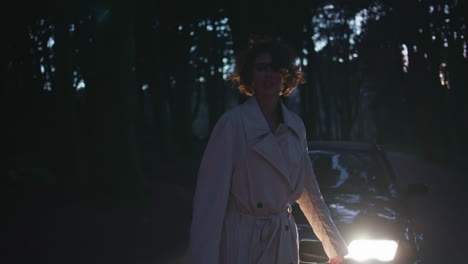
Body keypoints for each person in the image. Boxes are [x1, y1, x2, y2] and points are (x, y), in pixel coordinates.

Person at [188, 38, 348, 264]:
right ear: (250, 75)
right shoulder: (232, 124)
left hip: (283, 241)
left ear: (285, 76)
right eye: (261, 68)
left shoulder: (295, 126)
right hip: (243, 242)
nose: (268, 75)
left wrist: (334, 247)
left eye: (275, 68)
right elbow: (210, 201)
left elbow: (310, 192)